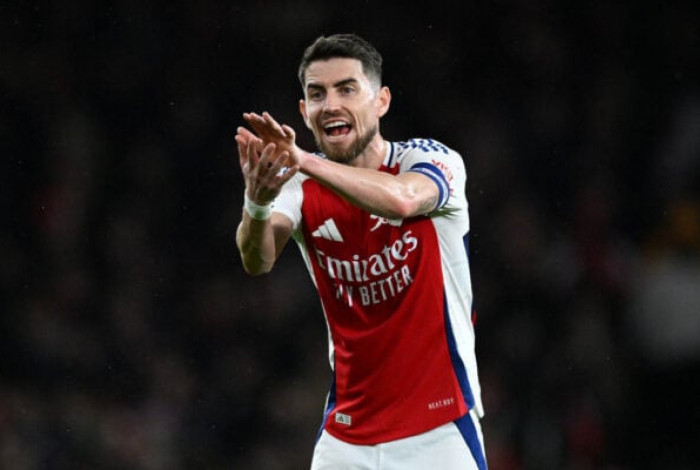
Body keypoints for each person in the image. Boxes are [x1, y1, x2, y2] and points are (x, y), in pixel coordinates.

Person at [235, 33, 487, 469]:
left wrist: (304, 159)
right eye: (318, 94)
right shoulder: (299, 187)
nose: (331, 104)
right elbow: (257, 260)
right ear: (304, 112)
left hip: (440, 430)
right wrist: (256, 204)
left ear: (381, 101)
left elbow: (403, 200)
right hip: (347, 438)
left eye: (347, 89)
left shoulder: (430, 161)